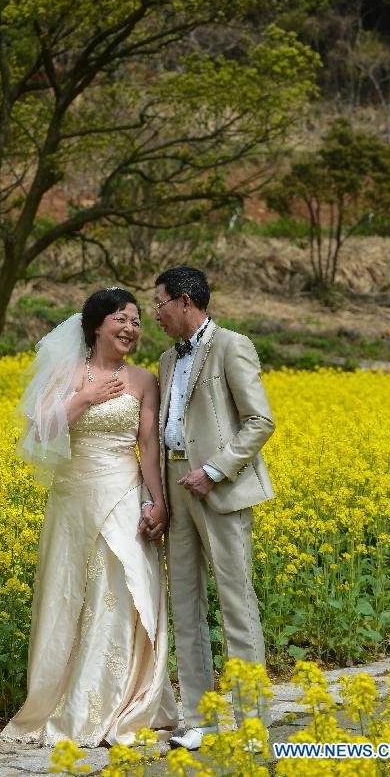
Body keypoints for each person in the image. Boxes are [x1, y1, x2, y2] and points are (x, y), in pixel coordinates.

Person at [0, 288, 178, 747]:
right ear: (97, 324)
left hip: (123, 490)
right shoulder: (68, 372)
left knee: (123, 588)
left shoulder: (143, 380)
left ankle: (119, 698)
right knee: (71, 594)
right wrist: (88, 395)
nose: (131, 328)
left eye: (137, 321)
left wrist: (157, 502)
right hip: (73, 500)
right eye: (121, 318)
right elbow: (40, 427)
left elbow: (149, 446)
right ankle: (69, 700)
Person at [140, 266, 275, 751]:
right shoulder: (165, 359)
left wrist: (214, 470)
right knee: (185, 605)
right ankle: (201, 718)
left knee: (236, 603)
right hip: (177, 487)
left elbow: (260, 420)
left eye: (158, 303)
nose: (154, 313)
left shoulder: (231, 345)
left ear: (183, 301)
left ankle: (251, 722)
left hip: (218, 487)